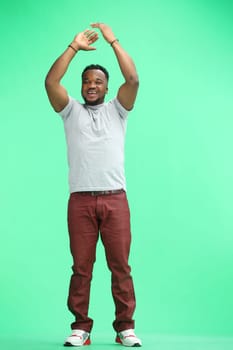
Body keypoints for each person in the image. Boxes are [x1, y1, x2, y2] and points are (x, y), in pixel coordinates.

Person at [45, 22, 141, 347]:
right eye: (86, 81)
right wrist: (73, 46)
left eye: (97, 81)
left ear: (106, 86)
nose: (91, 86)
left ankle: (124, 328)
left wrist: (113, 40)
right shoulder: (70, 111)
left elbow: (133, 79)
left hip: (115, 200)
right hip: (81, 202)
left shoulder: (119, 110)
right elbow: (50, 81)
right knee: (81, 268)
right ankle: (81, 328)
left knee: (121, 267)